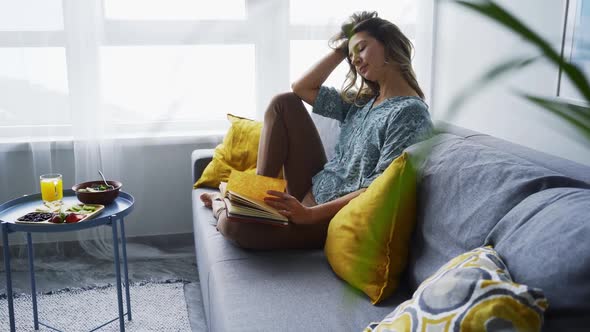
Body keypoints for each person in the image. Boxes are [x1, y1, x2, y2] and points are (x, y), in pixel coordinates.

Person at [201, 11, 433, 250]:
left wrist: (310, 215)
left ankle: (221, 204)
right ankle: (255, 202)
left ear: (390, 45)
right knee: (284, 102)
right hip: (312, 189)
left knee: (233, 226)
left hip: (331, 219)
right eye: (351, 56)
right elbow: (301, 88)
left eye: (362, 49)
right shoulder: (363, 102)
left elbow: (380, 189)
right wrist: (344, 49)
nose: (355, 60)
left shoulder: (409, 112)